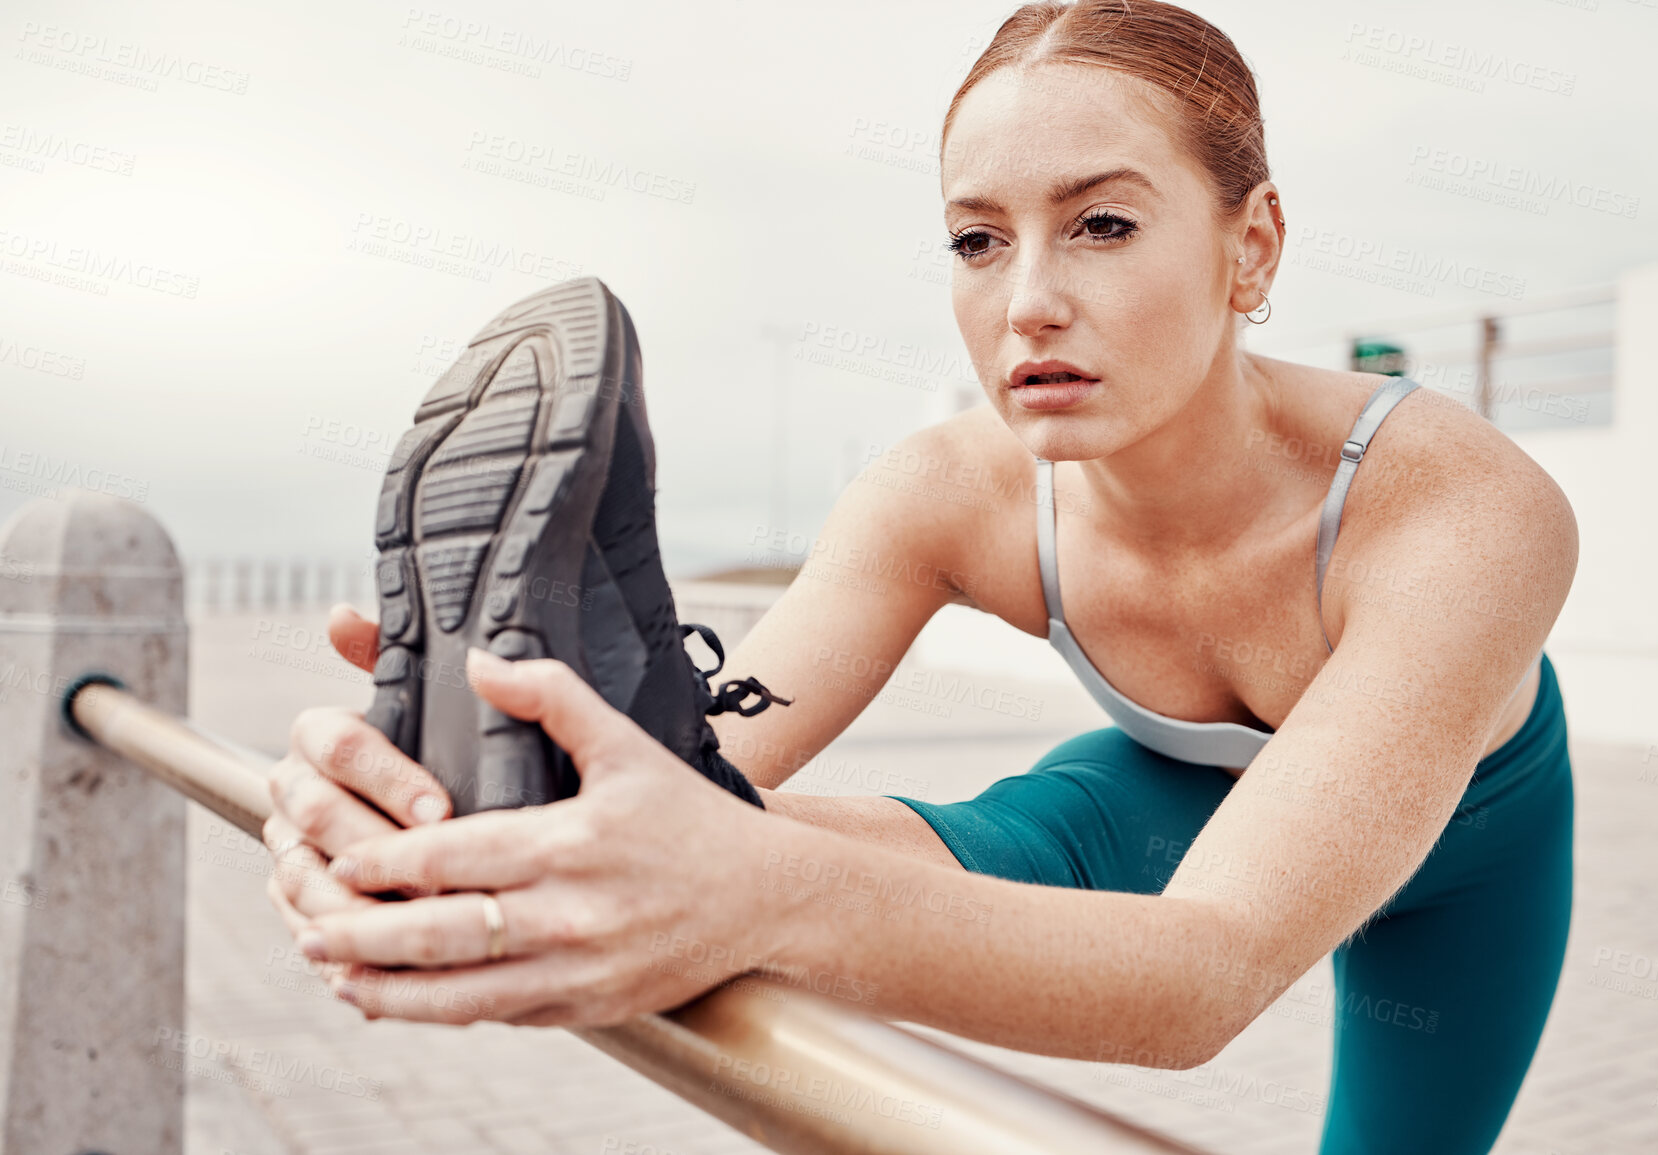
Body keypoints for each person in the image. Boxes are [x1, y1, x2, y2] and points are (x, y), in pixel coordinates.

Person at [263, 3, 1578, 1152]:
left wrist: (745, 889)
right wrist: (436, 823)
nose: (1029, 303)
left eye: (1103, 223)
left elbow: (1203, 981)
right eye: (977, 240)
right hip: (1153, 808)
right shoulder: (948, 490)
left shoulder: (1462, 513)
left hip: (1479, 845)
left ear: (1253, 246)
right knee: (715, 823)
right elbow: (717, 781)